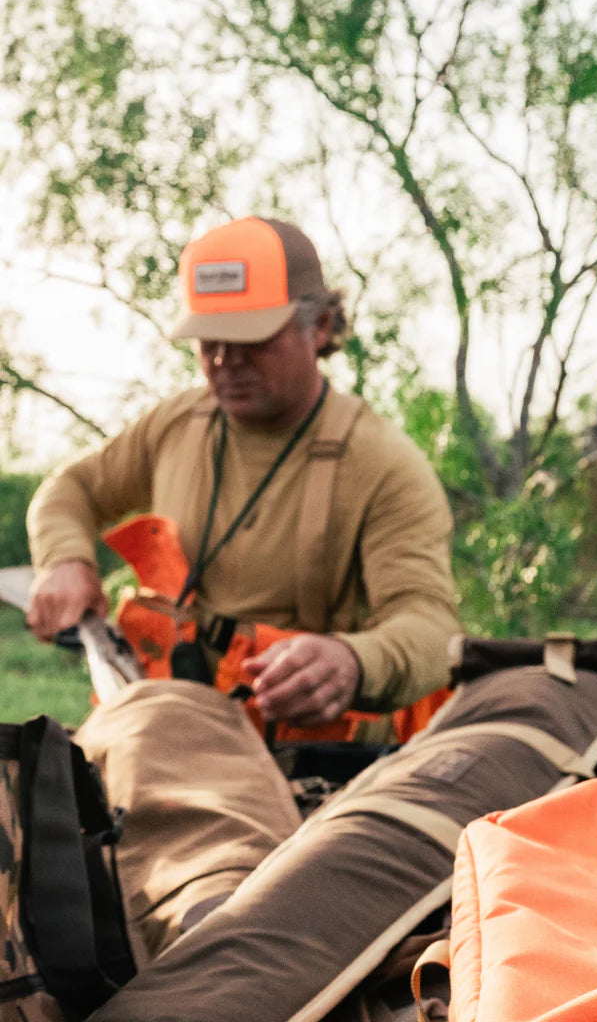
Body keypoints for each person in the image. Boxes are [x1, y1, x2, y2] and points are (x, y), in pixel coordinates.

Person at [26, 216, 459, 733]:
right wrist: (65, 560)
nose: (224, 360)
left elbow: (432, 628)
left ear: (319, 326)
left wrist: (353, 662)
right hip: (164, 728)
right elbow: (71, 489)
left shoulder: (381, 464)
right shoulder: (176, 424)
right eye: (207, 339)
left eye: (251, 339)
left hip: (311, 756)